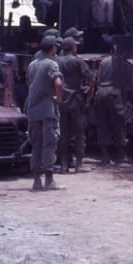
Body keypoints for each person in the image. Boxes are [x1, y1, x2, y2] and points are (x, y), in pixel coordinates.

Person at [26, 35, 65, 191]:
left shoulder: (32, 65)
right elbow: (58, 82)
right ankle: (49, 180)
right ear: (53, 48)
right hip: (48, 110)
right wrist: (59, 97)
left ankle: (36, 181)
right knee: (49, 144)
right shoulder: (51, 64)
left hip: (33, 109)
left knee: (36, 144)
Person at [57, 36, 94, 173]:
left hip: (61, 101)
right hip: (76, 101)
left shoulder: (56, 62)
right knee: (79, 133)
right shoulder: (78, 61)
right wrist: (88, 95)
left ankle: (63, 165)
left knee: (63, 134)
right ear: (72, 47)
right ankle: (78, 164)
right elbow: (90, 79)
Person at [94, 45, 127, 165]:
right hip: (114, 92)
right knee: (118, 124)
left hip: (101, 92)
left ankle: (105, 156)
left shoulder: (103, 62)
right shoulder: (120, 62)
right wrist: (124, 101)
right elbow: (123, 83)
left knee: (102, 124)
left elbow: (97, 80)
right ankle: (121, 155)